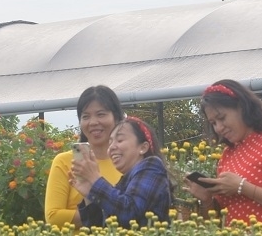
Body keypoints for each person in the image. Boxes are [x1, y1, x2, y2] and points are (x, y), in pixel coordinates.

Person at [186, 79, 262, 228]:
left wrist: (243, 187)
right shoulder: (228, 154)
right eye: (213, 123)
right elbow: (221, 219)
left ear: (242, 107)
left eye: (222, 118)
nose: (218, 128)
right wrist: (206, 200)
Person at [71, 116, 172, 228]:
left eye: (119, 140)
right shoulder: (123, 184)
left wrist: (95, 179)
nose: (112, 147)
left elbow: (130, 212)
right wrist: (89, 194)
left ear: (143, 147)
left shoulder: (152, 166)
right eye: (110, 143)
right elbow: (97, 230)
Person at [44, 86, 124, 226]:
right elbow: (53, 216)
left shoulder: (128, 161)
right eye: (85, 116)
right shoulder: (65, 162)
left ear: (116, 117)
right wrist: (98, 216)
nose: (93, 122)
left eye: (101, 114)